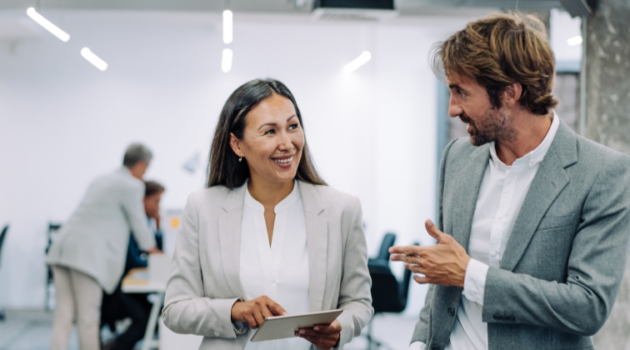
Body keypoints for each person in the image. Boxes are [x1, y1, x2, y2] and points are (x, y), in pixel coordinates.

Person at [389, 13, 630, 350]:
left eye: (461, 92)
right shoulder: (457, 157)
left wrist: (470, 274)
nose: (453, 109)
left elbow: (588, 306)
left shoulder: (601, 173)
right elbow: (445, 281)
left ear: (510, 93)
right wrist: (419, 344)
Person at [162, 79, 373, 350]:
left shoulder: (341, 209)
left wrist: (340, 328)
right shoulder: (203, 208)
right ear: (237, 145)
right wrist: (235, 310)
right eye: (270, 131)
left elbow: (359, 303)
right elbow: (175, 309)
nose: (287, 143)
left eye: (293, 126)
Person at [46, 143, 162, 350]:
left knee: (63, 316)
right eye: (146, 168)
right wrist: (154, 250)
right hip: (86, 257)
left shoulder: (101, 180)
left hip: (62, 249)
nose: (145, 174)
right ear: (141, 165)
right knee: (88, 317)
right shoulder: (131, 185)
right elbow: (138, 222)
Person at [101, 180, 166, 350]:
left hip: (132, 289)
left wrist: (158, 227)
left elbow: (156, 253)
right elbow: (133, 260)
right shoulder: (131, 225)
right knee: (145, 319)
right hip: (119, 290)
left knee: (158, 312)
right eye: (156, 201)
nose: (158, 207)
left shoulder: (146, 224)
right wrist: (154, 260)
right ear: (143, 200)